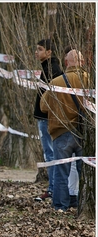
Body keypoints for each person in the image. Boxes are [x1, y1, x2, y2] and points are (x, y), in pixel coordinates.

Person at [40, 49, 89, 212]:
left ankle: (60, 206)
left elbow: (43, 106)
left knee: (61, 172)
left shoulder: (55, 82)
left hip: (61, 131)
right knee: (86, 171)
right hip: (83, 132)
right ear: (82, 63)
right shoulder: (90, 80)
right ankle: (85, 204)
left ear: (66, 63)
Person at [32, 39, 63, 201]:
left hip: (46, 118)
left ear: (49, 52)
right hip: (45, 118)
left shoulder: (52, 69)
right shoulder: (47, 67)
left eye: (40, 49)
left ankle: (53, 189)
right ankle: (53, 187)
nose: (36, 52)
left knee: (50, 154)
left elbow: (50, 98)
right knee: (50, 153)